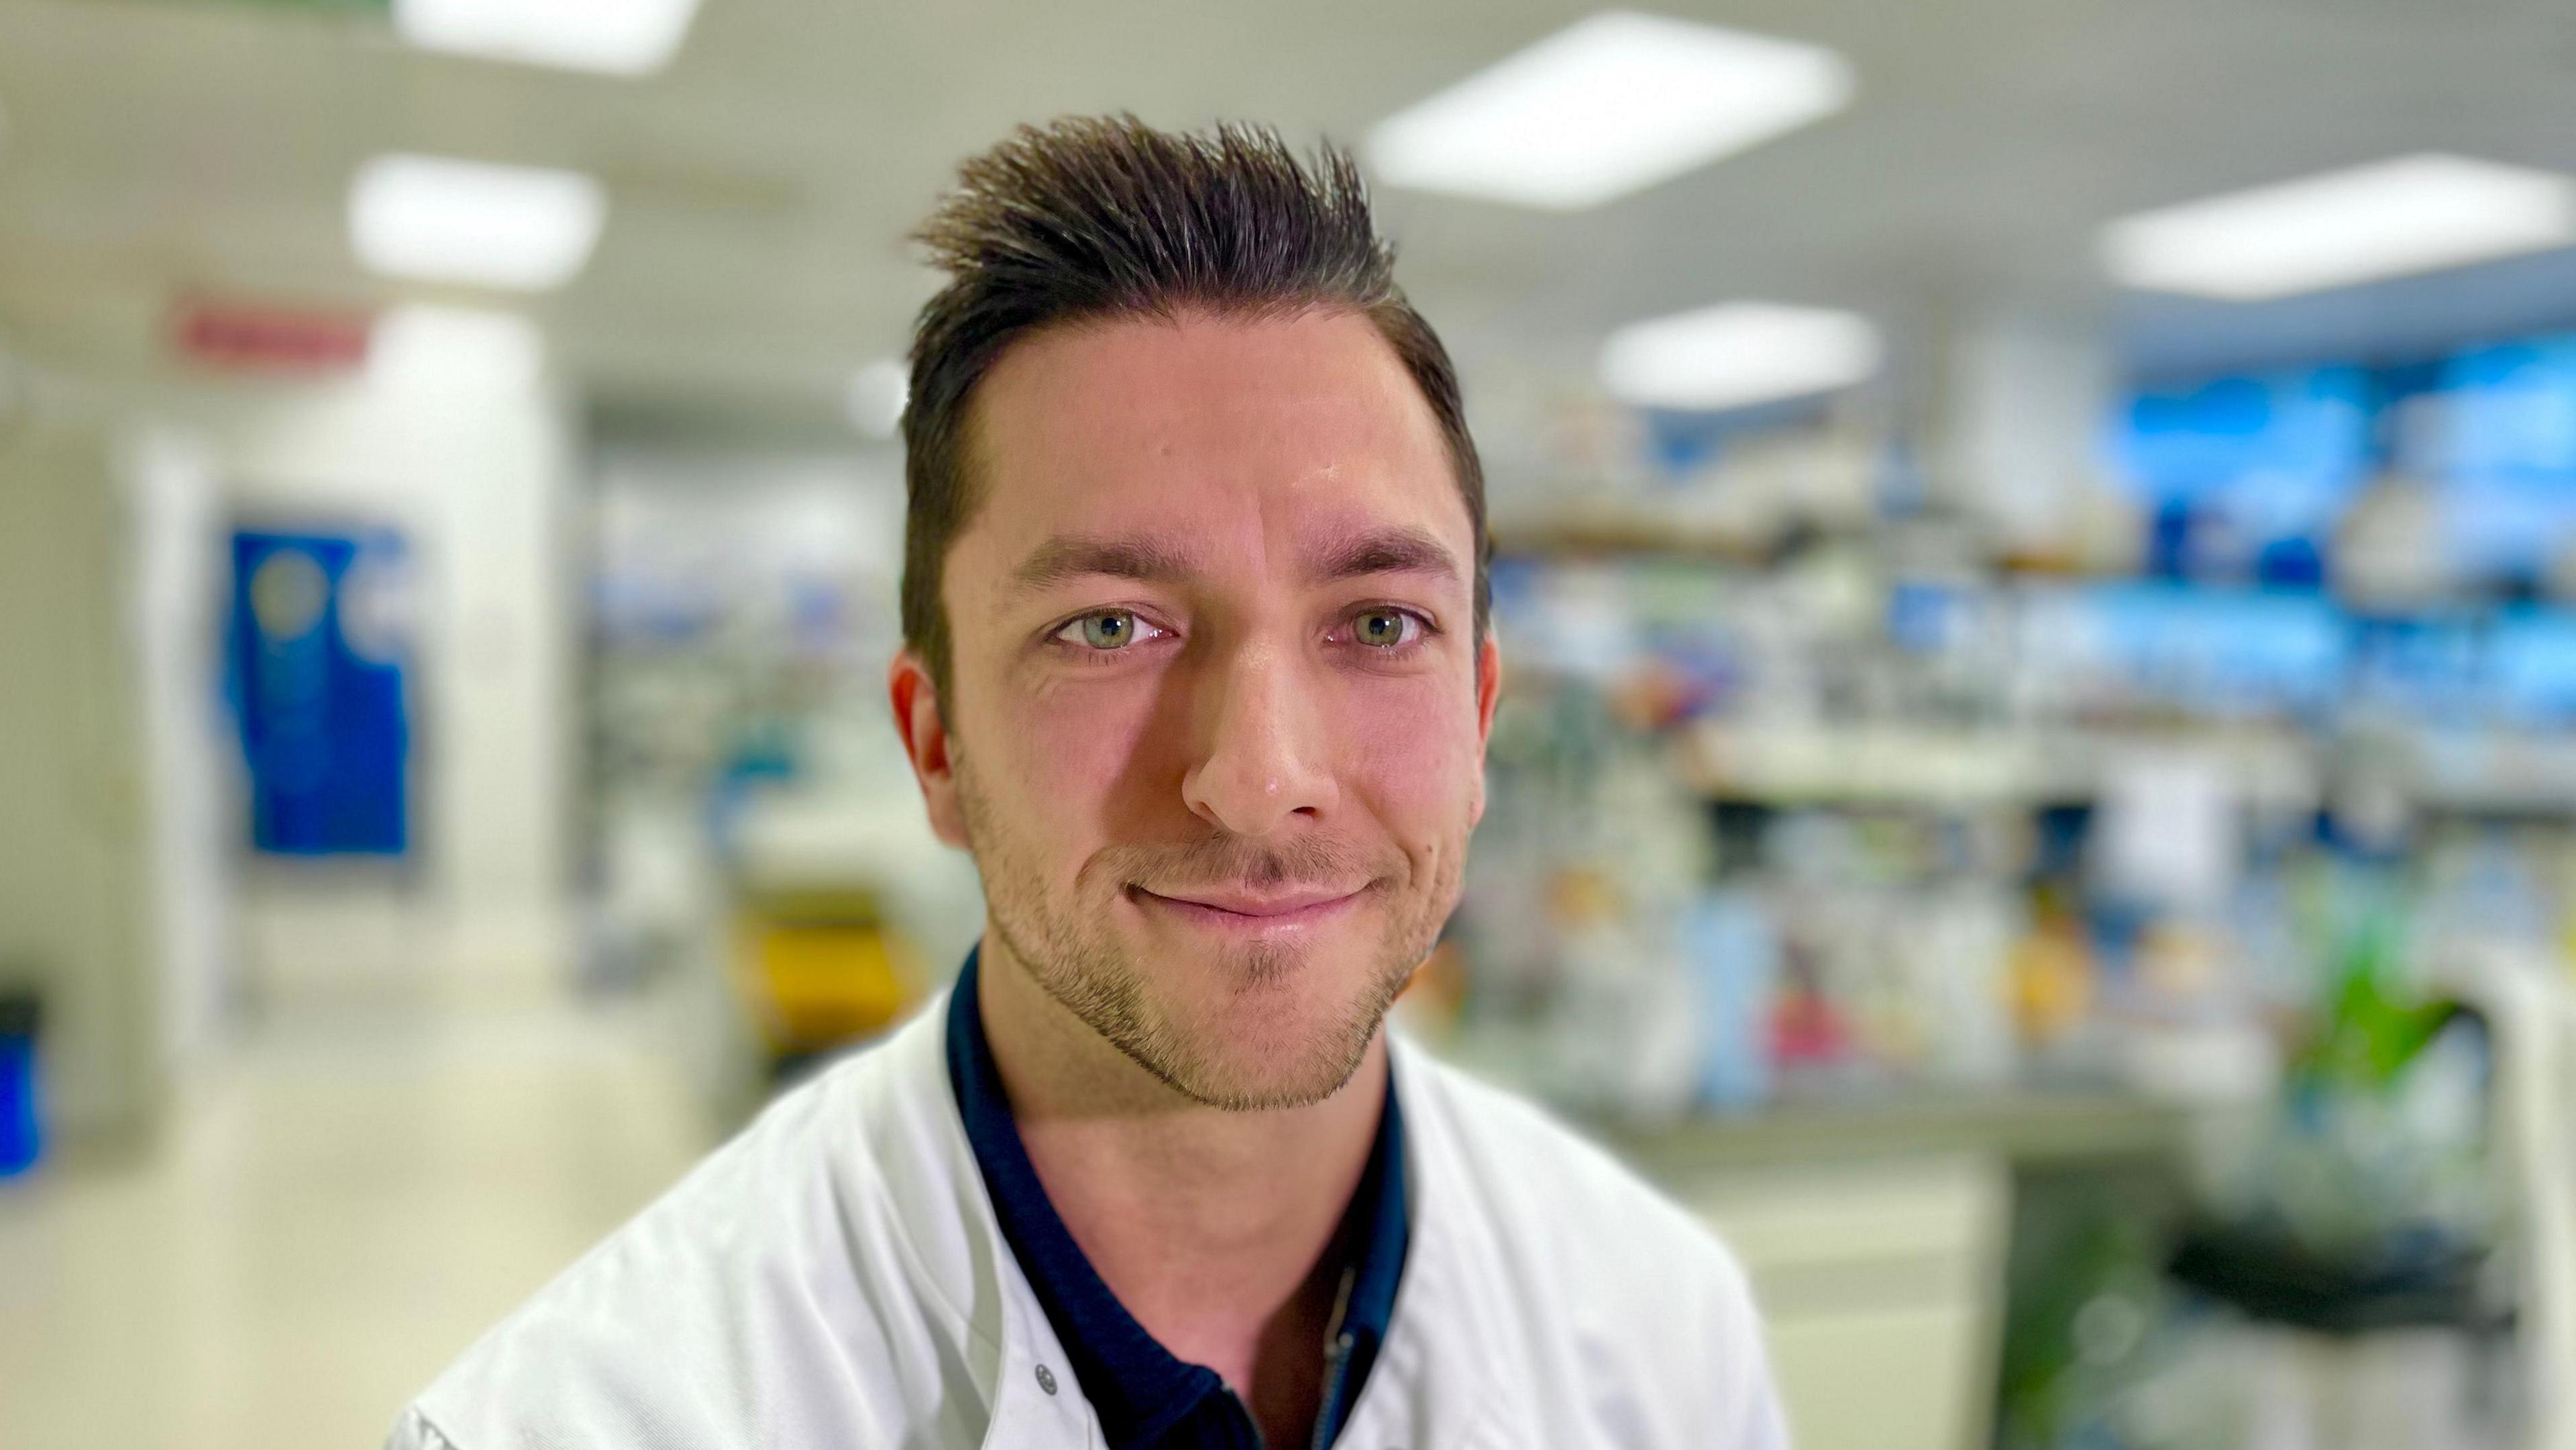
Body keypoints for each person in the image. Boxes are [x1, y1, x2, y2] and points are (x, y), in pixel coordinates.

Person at [388, 115, 1787, 1450]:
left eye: (1377, 623)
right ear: (935, 744)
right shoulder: (585, 1418)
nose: (1259, 779)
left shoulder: (1664, 1340)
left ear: (1480, 719)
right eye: (1108, 627)